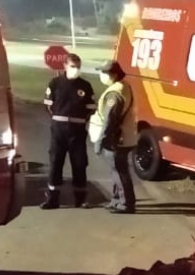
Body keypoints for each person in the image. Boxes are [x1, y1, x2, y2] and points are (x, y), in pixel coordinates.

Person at [41, 53, 96, 209]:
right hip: (58, 131)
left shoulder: (85, 86)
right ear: (65, 66)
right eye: (73, 66)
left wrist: (80, 120)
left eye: (78, 67)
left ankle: (80, 199)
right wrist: (59, 119)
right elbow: (48, 105)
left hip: (77, 131)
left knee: (79, 164)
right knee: (55, 163)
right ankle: (53, 199)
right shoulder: (55, 83)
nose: (76, 69)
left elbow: (90, 108)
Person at [90, 59, 139, 214]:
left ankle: (126, 203)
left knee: (119, 171)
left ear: (114, 74)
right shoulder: (123, 86)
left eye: (104, 72)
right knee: (116, 170)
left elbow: (110, 120)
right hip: (125, 136)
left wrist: (100, 141)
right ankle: (117, 200)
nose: (101, 75)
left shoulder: (114, 94)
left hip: (117, 138)